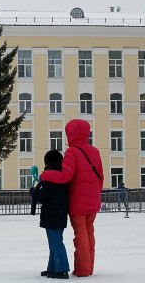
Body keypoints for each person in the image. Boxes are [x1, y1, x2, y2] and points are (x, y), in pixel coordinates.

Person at [40, 118, 104, 278]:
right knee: (90, 234)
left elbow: (65, 176)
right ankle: (89, 268)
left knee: (80, 235)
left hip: (78, 203)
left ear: (70, 134)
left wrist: (45, 175)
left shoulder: (72, 152)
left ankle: (82, 269)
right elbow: (101, 177)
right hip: (93, 201)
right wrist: (94, 194)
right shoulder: (95, 151)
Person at [31, 150, 70, 279]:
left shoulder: (49, 177)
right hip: (60, 213)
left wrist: (33, 192)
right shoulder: (63, 176)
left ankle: (62, 269)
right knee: (55, 242)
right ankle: (53, 268)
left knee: (55, 243)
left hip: (51, 214)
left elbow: (43, 197)